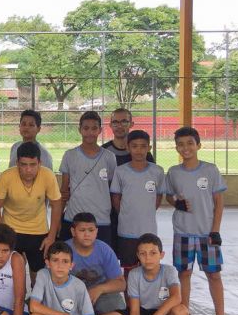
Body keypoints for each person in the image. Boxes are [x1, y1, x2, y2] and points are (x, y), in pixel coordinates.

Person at [165, 126, 237, 315]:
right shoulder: (173, 172)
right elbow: (169, 197)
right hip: (183, 233)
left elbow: (218, 202)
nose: (185, 148)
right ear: (176, 147)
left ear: (198, 145)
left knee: (214, 274)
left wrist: (215, 230)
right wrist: (176, 203)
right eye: (181, 144)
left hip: (207, 233)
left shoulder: (210, 170)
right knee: (184, 274)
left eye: (190, 143)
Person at [0, 142, 62, 286]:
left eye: (33, 164)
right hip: (11, 229)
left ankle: (34, 303)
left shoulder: (48, 175)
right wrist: (1, 236)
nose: (28, 169)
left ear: (40, 163)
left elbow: (56, 205)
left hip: (38, 230)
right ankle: (15, 301)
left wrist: (51, 236)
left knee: (38, 272)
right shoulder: (6, 176)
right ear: (17, 163)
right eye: (23, 164)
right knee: (12, 272)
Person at [65, 212, 127, 315]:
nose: (87, 234)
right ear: (73, 231)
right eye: (82, 230)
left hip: (101, 294)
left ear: (96, 231)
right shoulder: (65, 249)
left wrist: (100, 289)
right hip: (72, 295)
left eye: (91, 230)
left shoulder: (104, 250)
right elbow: (53, 281)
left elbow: (121, 284)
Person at [58, 111, 117, 246]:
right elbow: (64, 191)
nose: (90, 132)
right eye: (86, 128)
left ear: (100, 130)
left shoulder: (109, 157)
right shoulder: (70, 155)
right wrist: (57, 221)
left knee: (99, 260)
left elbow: (111, 188)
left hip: (100, 219)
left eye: (94, 128)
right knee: (70, 259)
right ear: (80, 130)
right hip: (73, 217)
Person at [110, 130, 165, 274]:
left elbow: (158, 196)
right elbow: (116, 197)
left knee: (149, 269)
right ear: (128, 148)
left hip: (149, 230)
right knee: (129, 271)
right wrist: (125, 213)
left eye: (143, 146)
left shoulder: (157, 171)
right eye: (134, 146)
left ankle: (147, 297)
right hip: (126, 231)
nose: (139, 150)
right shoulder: (120, 171)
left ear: (149, 148)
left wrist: (147, 211)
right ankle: (130, 297)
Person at [102, 108, 155, 253]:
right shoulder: (103, 153)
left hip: (135, 218)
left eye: (124, 121)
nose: (120, 125)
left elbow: (154, 190)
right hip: (108, 215)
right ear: (110, 125)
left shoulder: (145, 156)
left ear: (131, 123)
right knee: (112, 255)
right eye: (115, 122)